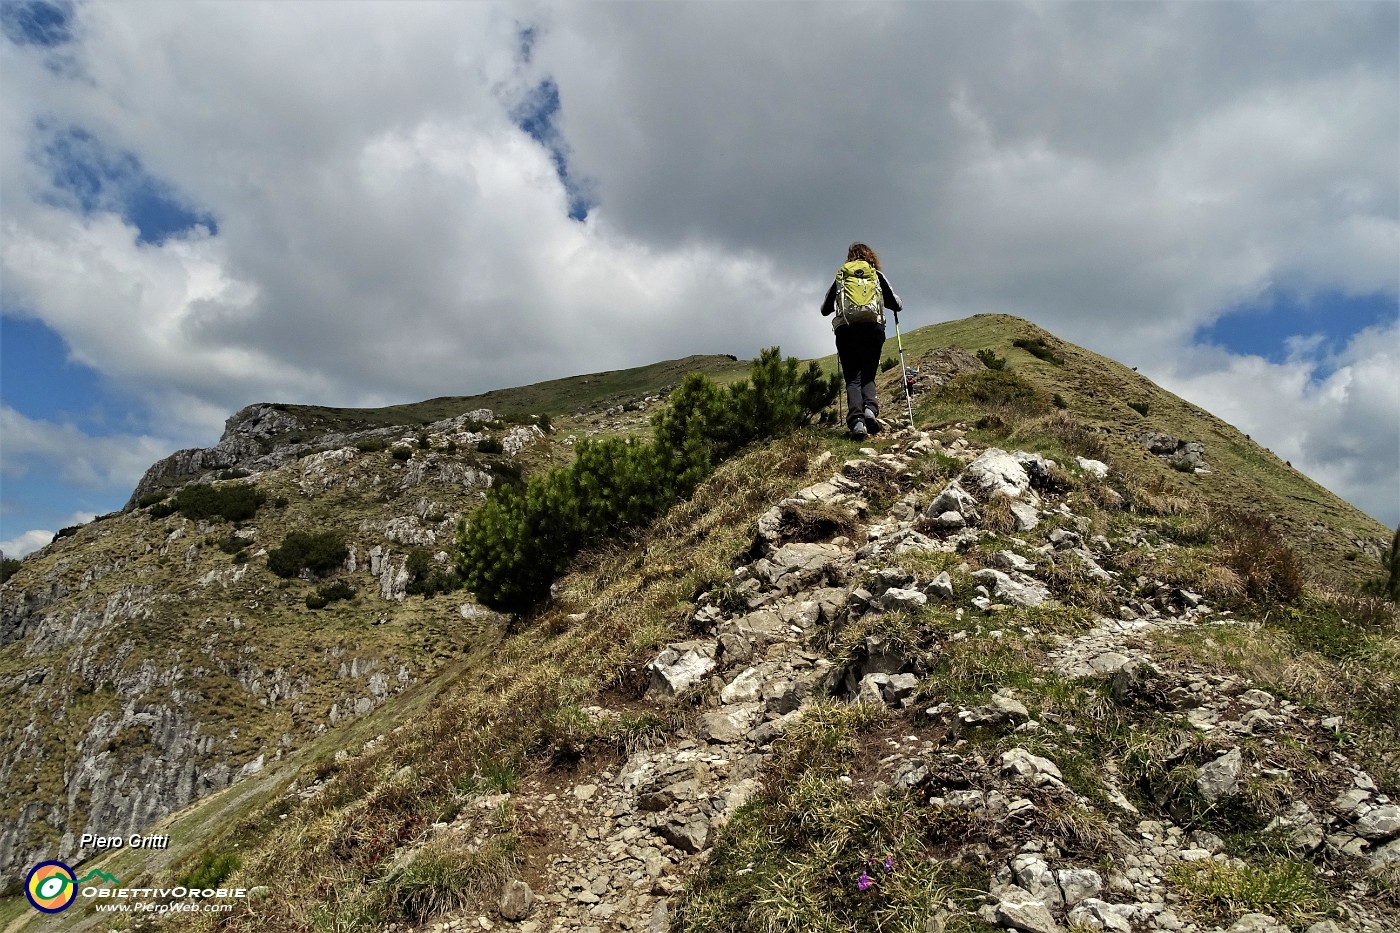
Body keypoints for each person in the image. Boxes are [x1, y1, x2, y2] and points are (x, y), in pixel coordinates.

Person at [820, 242, 903, 439]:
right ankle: (870, 411)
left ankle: (857, 422)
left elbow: (825, 309)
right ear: (871, 257)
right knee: (868, 374)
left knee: (852, 377)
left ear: (850, 257)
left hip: (846, 330)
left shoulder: (842, 276)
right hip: (872, 328)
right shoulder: (876, 275)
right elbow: (896, 304)